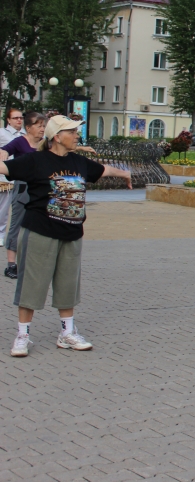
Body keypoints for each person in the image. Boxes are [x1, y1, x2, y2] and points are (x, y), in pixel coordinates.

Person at [2, 115, 132, 357]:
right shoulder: (35, 161)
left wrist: (125, 174)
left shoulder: (79, 162)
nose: (76, 136)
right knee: (32, 285)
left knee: (67, 286)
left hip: (71, 234)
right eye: (71, 132)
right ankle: (22, 336)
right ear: (57, 137)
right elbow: (6, 167)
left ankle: (67, 333)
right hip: (40, 232)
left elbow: (103, 170)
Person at [4, 112, 49, 280]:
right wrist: (3, 155)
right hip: (23, 188)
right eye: (39, 126)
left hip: (41, 189)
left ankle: (33, 261)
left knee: (39, 224)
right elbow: (4, 151)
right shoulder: (20, 141)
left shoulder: (45, 144)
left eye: (43, 126)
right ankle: (11, 265)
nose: (42, 129)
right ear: (28, 128)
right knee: (17, 224)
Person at [0, 108, 24, 278]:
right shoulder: (2, 133)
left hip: (20, 180)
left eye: (21, 118)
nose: (19, 120)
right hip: (5, 178)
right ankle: (1, 236)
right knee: (2, 211)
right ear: (8, 120)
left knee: (12, 213)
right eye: (15, 118)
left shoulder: (24, 135)